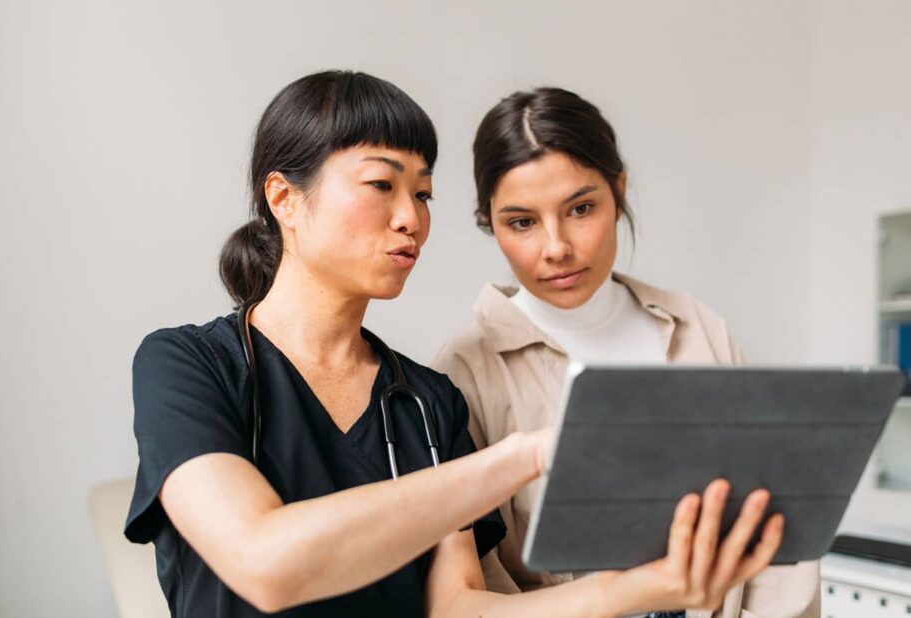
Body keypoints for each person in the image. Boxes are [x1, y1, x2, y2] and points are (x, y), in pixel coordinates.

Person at [124, 70, 785, 617]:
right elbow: (266, 564)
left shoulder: (426, 402)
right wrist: (531, 453)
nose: (411, 218)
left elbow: (461, 612)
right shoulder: (187, 366)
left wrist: (650, 590)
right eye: (382, 185)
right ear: (284, 198)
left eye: (423, 193)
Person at [433, 86, 821, 617]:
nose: (556, 247)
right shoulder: (459, 377)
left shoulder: (700, 330)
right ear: (490, 222)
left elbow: (776, 536)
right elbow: (477, 589)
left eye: (581, 208)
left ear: (619, 189)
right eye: (522, 222)